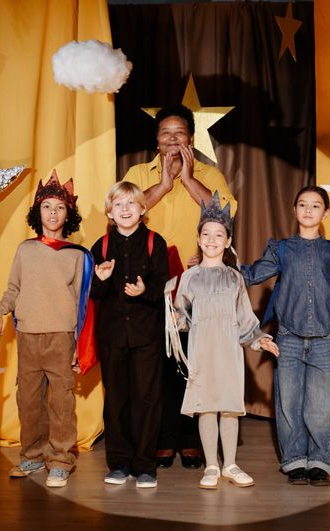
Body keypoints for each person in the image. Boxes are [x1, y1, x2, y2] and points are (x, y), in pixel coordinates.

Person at [240, 185, 330, 487]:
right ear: (294, 211)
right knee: (289, 401)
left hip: (322, 340)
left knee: (321, 404)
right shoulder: (281, 250)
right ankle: (294, 461)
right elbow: (252, 275)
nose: (308, 210)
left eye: (316, 205)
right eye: (302, 205)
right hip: (289, 340)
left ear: (325, 213)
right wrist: (217, 263)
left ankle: (319, 461)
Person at [123, 104, 237, 469]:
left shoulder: (209, 174)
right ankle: (160, 437)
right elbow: (125, 210)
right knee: (154, 362)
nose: (172, 139)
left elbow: (226, 212)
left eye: (179, 132)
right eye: (165, 133)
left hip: (196, 282)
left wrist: (187, 180)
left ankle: (189, 439)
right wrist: (165, 185)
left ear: (191, 137)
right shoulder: (140, 173)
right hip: (149, 281)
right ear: (156, 140)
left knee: (193, 361)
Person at [0, 171, 92, 488]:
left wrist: (77, 344)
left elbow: (81, 303)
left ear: (69, 214)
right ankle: (32, 456)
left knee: (61, 402)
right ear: (37, 211)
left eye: (60, 208)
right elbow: (13, 289)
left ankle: (60, 459)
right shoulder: (25, 250)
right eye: (47, 207)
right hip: (29, 336)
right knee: (29, 401)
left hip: (60, 337)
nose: (53, 213)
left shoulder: (76, 255)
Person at [171, 193, 279, 489]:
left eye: (219, 235)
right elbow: (182, 316)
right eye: (206, 234)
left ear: (228, 241)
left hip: (229, 353)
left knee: (230, 406)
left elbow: (245, 320)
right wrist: (173, 318)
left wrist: (259, 340)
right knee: (206, 406)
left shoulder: (234, 278)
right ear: (198, 237)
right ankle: (211, 466)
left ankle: (230, 463)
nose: (211, 239)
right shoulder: (189, 277)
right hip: (202, 352)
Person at [89, 182, 169, 489]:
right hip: (111, 336)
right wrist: (102, 280)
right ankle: (119, 463)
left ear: (143, 209)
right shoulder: (102, 246)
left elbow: (164, 285)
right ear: (110, 212)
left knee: (147, 399)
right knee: (116, 401)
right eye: (119, 205)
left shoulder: (154, 243)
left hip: (146, 335)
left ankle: (145, 465)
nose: (125, 209)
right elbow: (93, 294)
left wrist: (145, 290)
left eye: (131, 204)